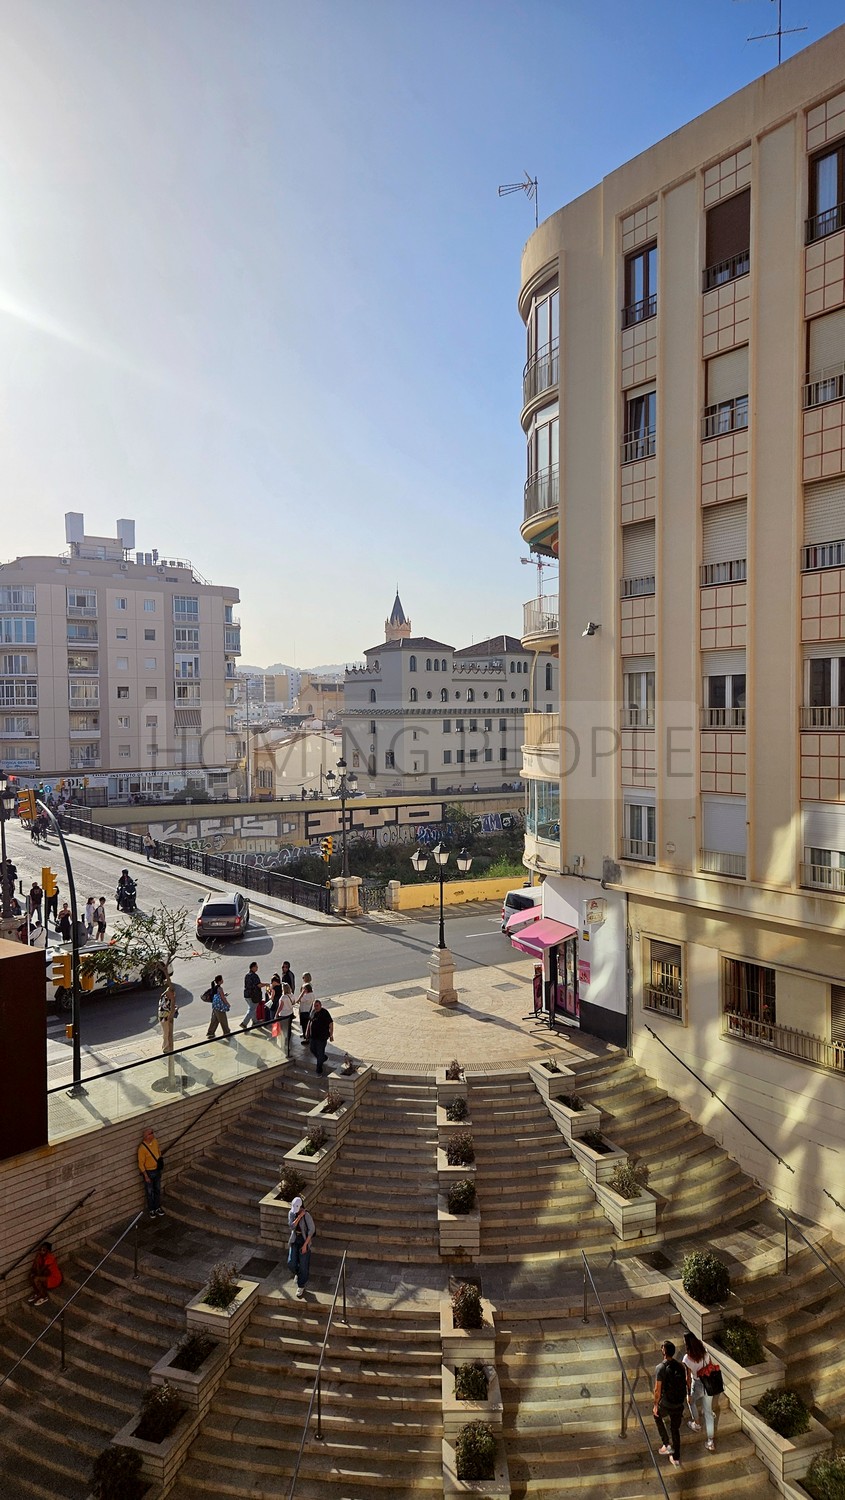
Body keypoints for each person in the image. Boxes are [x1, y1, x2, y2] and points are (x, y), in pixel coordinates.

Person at [653, 1338, 688, 1468]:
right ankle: (676, 1458)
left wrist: (656, 1405)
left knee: (657, 1416)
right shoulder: (680, 1366)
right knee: (675, 1430)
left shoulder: (660, 1368)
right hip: (678, 1403)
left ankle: (666, 1444)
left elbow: (657, 1390)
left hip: (666, 1403)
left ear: (664, 1352)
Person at [682, 1330, 716, 1451]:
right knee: (708, 1412)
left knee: (691, 1402)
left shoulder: (687, 1359)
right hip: (709, 1384)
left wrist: (688, 1394)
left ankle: (696, 1424)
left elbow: (688, 1378)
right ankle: (710, 1442)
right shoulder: (705, 1353)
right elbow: (711, 1366)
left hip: (697, 1384)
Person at [287, 1195, 316, 1299]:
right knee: (291, 1263)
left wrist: (305, 1245)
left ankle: (301, 1285)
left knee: (303, 1265)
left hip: (304, 1240)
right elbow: (291, 1226)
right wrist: (299, 1217)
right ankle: (299, 1274)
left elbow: (311, 1231)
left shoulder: (307, 1215)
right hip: (295, 1239)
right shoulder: (291, 1213)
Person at [138, 1127, 164, 1218]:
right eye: (151, 1133)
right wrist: (146, 1176)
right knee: (150, 1192)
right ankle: (152, 1209)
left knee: (157, 1189)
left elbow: (158, 1151)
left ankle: (157, 1207)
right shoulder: (142, 1148)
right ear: (146, 1136)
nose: (153, 1134)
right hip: (149, 1172)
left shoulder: (155, 1141)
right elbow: (141, 1164)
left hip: (157, 1170)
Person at [28, 1241, 63, 1306]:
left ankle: (44, 1296)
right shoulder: (41, 1256)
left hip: (55, 1278)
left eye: (44, 1250)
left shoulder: (50, 1258)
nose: (41, 1251)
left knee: (36, 1279)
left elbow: (39, 1272)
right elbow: (33, 1268)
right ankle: (37, 1293)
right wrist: (37, 1260)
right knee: (30, 1275)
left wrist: (37, 1260)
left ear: (48, 1251)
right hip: (46, 1275)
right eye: (40, 1250)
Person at [305, 998, 334, 1075]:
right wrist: (307, 1032)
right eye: (314, 1006)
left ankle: (319, 1070)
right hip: (313, 1036)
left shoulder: (325, 1013)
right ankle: (323, 1058)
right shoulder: (313, 1012)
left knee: (320, 1052)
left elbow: (331, 1024)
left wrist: (331, 1035)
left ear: (320, 1005)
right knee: (312, 1049)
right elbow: (309, 1021)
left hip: (322, 1037)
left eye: (317, 1006)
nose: (316, 1007)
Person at [206, 975, 231, 1040]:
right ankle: (226, 1032)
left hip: (215, 1006)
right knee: (223, 1019)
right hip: (220, 1006)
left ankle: (210, 1032)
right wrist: (228, 1004)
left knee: (215, 1020)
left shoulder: (214, 987)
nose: (223, 980)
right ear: (219, 981)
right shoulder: (220, 988)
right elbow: (222, 998)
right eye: (222, 979)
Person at [241, 961, 264, 1030]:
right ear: (253, 967)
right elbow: (258, 985)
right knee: (252, 1009)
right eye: (256, 967)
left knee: (252, 1008)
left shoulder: (247, 975)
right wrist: (266, 984)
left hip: (247, 995)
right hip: (253, 995)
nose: (257, 968)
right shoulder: (254, 976)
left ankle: (255, 1021)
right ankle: (244, 1023)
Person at [276, 982, 295, 1058]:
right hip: (290, 1014)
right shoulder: (292, 995)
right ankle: (288, 1039)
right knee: (289, 1028)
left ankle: (284, 1042)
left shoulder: (283, 997)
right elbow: (293, 1003)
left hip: (283, 1015)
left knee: (283, 1029)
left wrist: (276, 1014)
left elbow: (280, 1007)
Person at [158, 981, 177, 1054]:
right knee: (166, 1032)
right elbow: (167, 1008)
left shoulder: (163, 996)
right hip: (165, 1017)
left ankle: (165, 1046)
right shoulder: (166, 998)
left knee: (165, 1032)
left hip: (161, 1016)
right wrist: (175, 1010)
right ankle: (166, 1048)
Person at [297, 973, 314, 1040]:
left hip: (305, 1010)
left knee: (305, 1024)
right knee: (304, 1023)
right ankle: (305, 1033)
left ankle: (306, 1035)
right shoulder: (309, 992)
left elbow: (299, 1000)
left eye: (303, 977)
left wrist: (302, 993)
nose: (302, 979)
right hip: (304, 1008)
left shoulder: (307, 994)